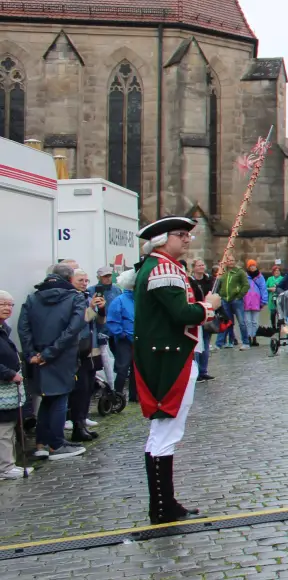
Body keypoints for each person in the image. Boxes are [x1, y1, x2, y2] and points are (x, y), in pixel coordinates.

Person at [132, 216, 223, 525]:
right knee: (165, 433)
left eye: (187, 235)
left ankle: (165, 502)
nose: (187, 240)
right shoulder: (163, 268)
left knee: (164, 432)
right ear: (161, 240)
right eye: (180, 235)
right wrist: (209, 305)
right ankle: (161, 506)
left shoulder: (158, 266)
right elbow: (181, 313)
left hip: (167, 356)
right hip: (169, 360)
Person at [18, 264, 90, 460]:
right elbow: (73, 328)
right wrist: (49, 353)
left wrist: (32, 354)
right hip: (62, 355)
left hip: (39, 355)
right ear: (69, 279)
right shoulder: (75, 297)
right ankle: (56, 445)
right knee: (59, 398)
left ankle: (42, 443)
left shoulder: (33, 298)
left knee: (47, 399)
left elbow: (23, 328)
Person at [68, 269, 103, 443]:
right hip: (78, 349)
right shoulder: (71, 298)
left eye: (86, 280)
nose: (84, 283)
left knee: (89, 387)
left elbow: (98, 322)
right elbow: (82, 320)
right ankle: (77, 426)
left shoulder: (86, 297)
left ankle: (82, 422)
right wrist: (90, 309)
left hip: (91, 347)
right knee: (80, 389)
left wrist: (101, 309)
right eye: (80, 279)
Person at [1, 290, 25, 480]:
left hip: (7, 386)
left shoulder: (4, 329)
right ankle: (5, 467)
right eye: (3, 304)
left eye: (10, 305)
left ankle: (8, 464)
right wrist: (9, 373)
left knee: (8, 426)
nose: (7, 308)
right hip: (4, 384)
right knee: (4, 428)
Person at [106, 270, 137, 401]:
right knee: (123, 369)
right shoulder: (119, 300)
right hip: (125, 339)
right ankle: (117, 396)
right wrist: (121, 333)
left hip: (138, 339)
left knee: (137, 368)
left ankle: (134, 395)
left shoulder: (140, 300)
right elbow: (113, 319)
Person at [187, 260, 217, 382]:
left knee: (205, 344)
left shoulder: (209, 280)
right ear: (194, 268)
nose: (201, 267)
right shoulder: (190, 281)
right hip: (197, 313)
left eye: (202, 265)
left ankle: (204, 370)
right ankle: (197, 371)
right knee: (197, 345)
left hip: (208, 314)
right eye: (198, 265)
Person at [239, 259, 268, 348]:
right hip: (246, 301)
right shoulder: (244, 276)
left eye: (253, 265)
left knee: (255, 321)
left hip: (256, 301)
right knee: (248, 321)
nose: (252, 267)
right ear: (248, 267)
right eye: (251, 266)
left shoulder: (260, 277)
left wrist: (264, 300)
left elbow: (263, 288)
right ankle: (249, 337)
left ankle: (254, 337)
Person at [265, 261, 284, 332]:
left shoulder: (282, 278)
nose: (277, 272)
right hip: (272, 299)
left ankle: (279, 327)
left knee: (280, 313)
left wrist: (278, 289)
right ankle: (273, 326)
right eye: (275, 271)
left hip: (280, 298)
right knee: (273, 313)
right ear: (273, 272)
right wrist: (270, 289)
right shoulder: (269, 279)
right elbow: (265, 288)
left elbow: (284, 287)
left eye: (278, 271)